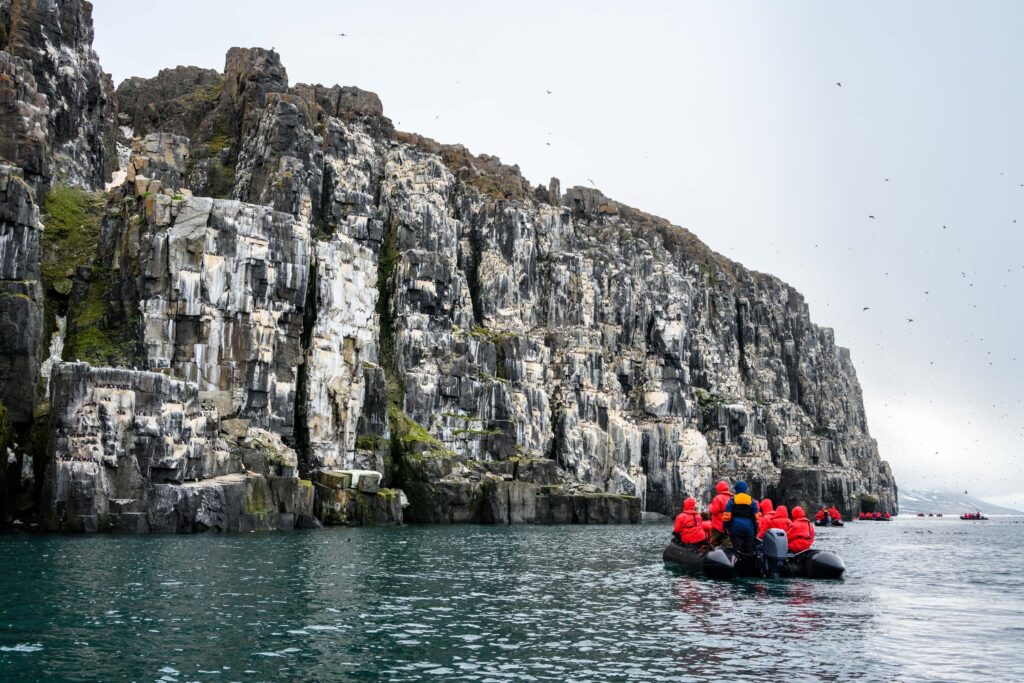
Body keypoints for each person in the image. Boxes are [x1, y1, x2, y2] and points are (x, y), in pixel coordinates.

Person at [723, 481, 760, 555]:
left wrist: (725, 526)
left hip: (735, 529)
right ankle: (749, 565)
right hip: (749, 529)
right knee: (749, 551)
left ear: (737, 490)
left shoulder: (732, 500)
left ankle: (738, 564)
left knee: (737, 551)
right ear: (745, 489)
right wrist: (756, 529)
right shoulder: (751, 501)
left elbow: (727, 515)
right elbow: (756, 517)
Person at [708, 481, 732, 547]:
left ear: (719, 489)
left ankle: (712, 556)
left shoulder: (718, 498)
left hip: (718, 524)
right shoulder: (731, 498)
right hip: (728, 524)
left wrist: (710, 505)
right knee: (727, 543)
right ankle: (728, 556)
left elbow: (714, 511)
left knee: (714, 543)